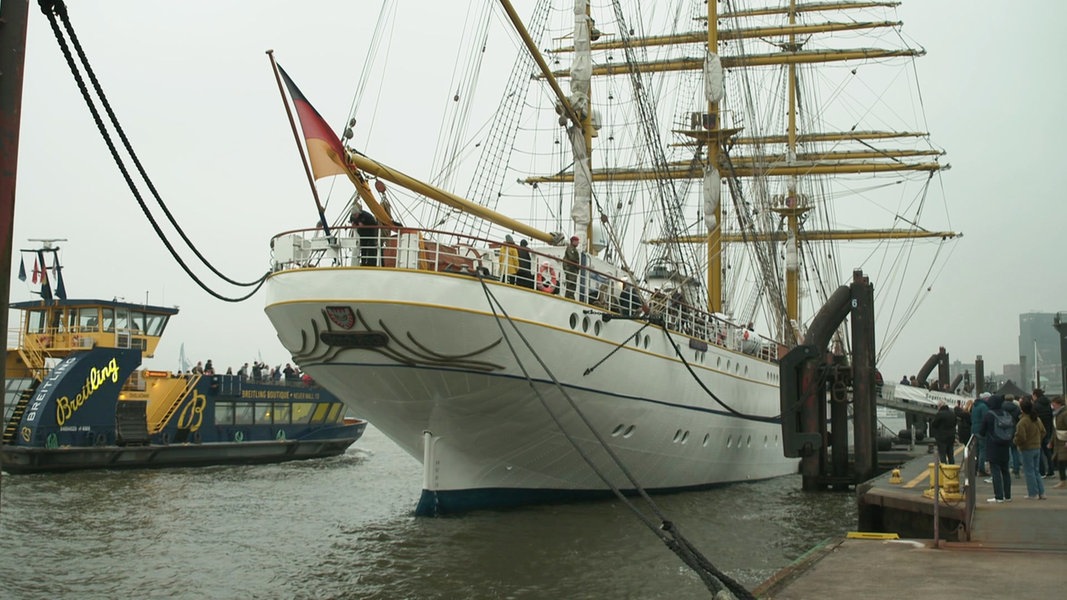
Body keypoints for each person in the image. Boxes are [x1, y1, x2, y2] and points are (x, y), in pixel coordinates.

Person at [979, 394, 1014, 503]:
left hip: (993, 446)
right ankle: (1008, 496)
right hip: (1005, 446)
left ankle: (999, 496)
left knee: (995, 472)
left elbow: (982, 431)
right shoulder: (1006, 413)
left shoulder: (989, 415)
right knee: (1005, 471)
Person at [1014, 396, 1046, 499]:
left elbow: (1021, 437)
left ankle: (1033, 493)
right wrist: (1038, 439)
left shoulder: (1022, 422)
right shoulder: (1037, 419)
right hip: (1037, 446)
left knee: (1029, 471)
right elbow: (1043, 432)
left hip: (1027, 448)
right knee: (1036, 471)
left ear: (1022, 409)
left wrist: (1015, 442)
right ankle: (1041, 493)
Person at [1032, 388, 1054, 477]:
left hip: (1039, 431)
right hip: (1048, 429)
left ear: (1035, 395)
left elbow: (1034, 418)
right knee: (1048, 451)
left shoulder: (1036, 405)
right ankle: (1051, 471)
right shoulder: (1048, 404)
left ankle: (1042, 471)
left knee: (1039, 451)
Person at [971, 392, 991, 476]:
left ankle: (975, 468)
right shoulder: (984, 407)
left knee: (977, 450)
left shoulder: (974, 406)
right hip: (981, 431)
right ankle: (981, 469)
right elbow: (986, 419)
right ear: (986, 398)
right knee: (983, 450)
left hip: (974, 430)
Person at [1002, 394, 1022, 477]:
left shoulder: (1001, 407)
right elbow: (1019, 419)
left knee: (1005, 451)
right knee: (1015, 451)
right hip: (1014, 430)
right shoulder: (1017, 408)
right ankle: (1016, 470)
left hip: (1004, 430)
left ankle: (1005, 470)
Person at [1052, 396, 1067, 489]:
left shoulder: (1064, 414)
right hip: (1058, 440)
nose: (1052, 406)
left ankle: (1063, 481)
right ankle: (1063, 480)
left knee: (1062, 461)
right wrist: (1051, 441)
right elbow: (1055, 429)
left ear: (1059, 404)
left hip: (1063, 439)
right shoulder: (1057, 414)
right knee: (1061, 461)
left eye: (1054, 404)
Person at [562, 235, 580, 299]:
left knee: (573, 284)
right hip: (570, 269)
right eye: (577, 241)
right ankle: (569, 296)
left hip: (573, 270)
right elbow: (571, 257)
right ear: (573, 241)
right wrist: (577, 264)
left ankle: (571, 296)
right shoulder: (570, 248)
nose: (578, 243)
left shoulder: (574, 249)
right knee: (570, 283)